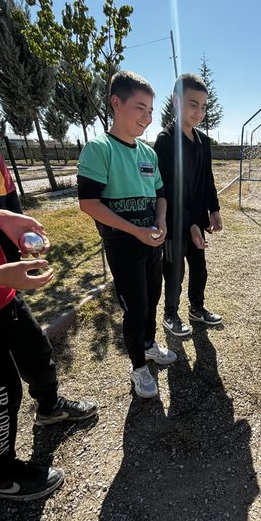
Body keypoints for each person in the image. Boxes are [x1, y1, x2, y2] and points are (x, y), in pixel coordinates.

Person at [0, 122, 98, 426]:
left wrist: (6, 219)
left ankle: (49, 406)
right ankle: (1, 474)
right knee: (1, 391)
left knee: (35, 347)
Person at [78, 70, 176, 398]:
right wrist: (135, 230)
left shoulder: (148, 154)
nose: (147, 117)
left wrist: (160, 222)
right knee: (135, 308)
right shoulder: (99, 148)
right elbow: (89, 203)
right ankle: (138, 368)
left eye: (150, 110)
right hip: (123, 245)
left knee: (152, 299)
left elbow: (160, 194)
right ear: (116, 103)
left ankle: (149, 345)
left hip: (152, 242)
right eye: (140, 108)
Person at [0, 204, 64, 499]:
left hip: (3, 298)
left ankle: (50, 408)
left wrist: (1, 218)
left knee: (37, 353)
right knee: (0, 397)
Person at [154, 73, 222, 338]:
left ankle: (197, 308)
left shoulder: (203, 142)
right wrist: (189, 224)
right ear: (175, 101)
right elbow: (167, 190)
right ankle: (170, 314)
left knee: (199, 267)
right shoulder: (165, 140)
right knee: (174, 272)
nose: (199, 112)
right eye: (193, 104)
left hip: (196, 220)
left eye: (204, 106)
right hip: (173, 222)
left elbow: (207, 179)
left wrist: (213, 209)